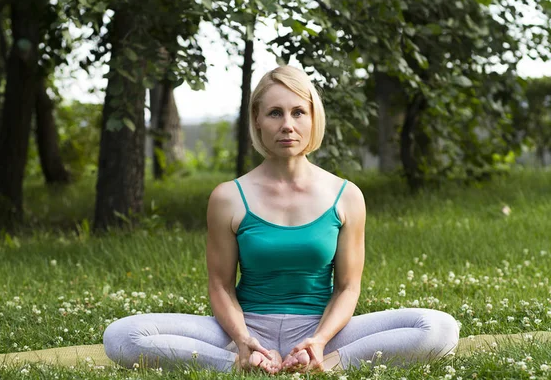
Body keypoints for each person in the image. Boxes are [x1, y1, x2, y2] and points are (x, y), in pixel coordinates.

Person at [102, 65, 460, 374]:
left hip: (320, 330)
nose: (287, 125)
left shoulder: (346, 195)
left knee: (439, 327)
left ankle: (322, 363)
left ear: (313, 118)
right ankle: (242, 364)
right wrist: (243, 341)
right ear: (257, 119)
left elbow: (348, 288)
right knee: (122, 336)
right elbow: (221, 286)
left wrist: (318, 342)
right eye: (275, 113)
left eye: (298, 112)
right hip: (243, 328)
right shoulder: (228, 197)